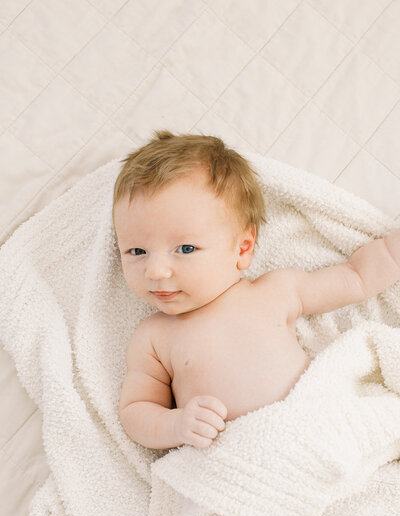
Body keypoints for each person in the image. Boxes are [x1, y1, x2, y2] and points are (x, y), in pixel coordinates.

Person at [113, 130, 400, 453]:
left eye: (185, 248)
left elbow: (355, 277)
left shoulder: (277, 291)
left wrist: (392, 251)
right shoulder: (154, 336)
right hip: (239, 458)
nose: (156, 271)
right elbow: (136, 411)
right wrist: (177, 424)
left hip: (318, 432)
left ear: (242, 249)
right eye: (137, 252)